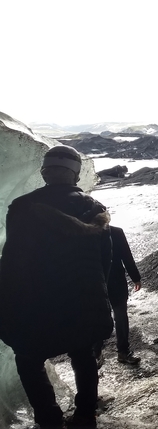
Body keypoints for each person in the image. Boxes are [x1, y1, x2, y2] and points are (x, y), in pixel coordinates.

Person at [0, 145, 113, 429]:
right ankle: (86, 414)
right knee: (83, 354)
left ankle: (49, 418)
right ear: (74, 174)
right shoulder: (95, 210)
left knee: (29, 359)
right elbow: (105, 261)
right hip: (84, 300)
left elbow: (13, 259)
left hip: (37, 302)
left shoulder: (22, 208)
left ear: (45, 173)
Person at [94, 225, 142, 366]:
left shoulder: (113, 232)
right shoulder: (89, 233)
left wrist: (135, 277)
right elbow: (126, 256)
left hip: (108, 282)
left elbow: (126, 256)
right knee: (108, 317)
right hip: (102, 283)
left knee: (114, 317)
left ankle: (116, 353)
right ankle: (103, 353)